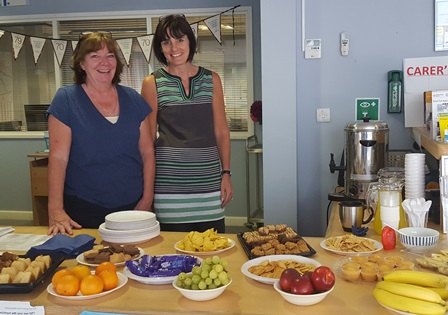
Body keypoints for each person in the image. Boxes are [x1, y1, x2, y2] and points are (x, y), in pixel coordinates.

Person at [47, 32, 155, 235]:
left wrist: (147, 199)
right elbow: (58, 158)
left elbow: (147, 153)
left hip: (132, 208)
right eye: (95, 56)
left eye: (110, 55)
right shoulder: (66, 100)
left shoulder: (133, 99)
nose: (104, 62)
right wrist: (55, 209)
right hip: (83, 209)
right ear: (82, 64)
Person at [141, 14, 233, 233]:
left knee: (212, 251)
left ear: (190, 42)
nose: (174, 47)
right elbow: (147, 141)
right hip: (169, 188)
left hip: (209, 183)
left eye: (179, 39)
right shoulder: (152, 83)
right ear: (160, 48)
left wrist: (226, 174)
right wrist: (148, 190)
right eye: (166, 42)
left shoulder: (212, 80)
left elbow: (221, 131)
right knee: (173, 256)